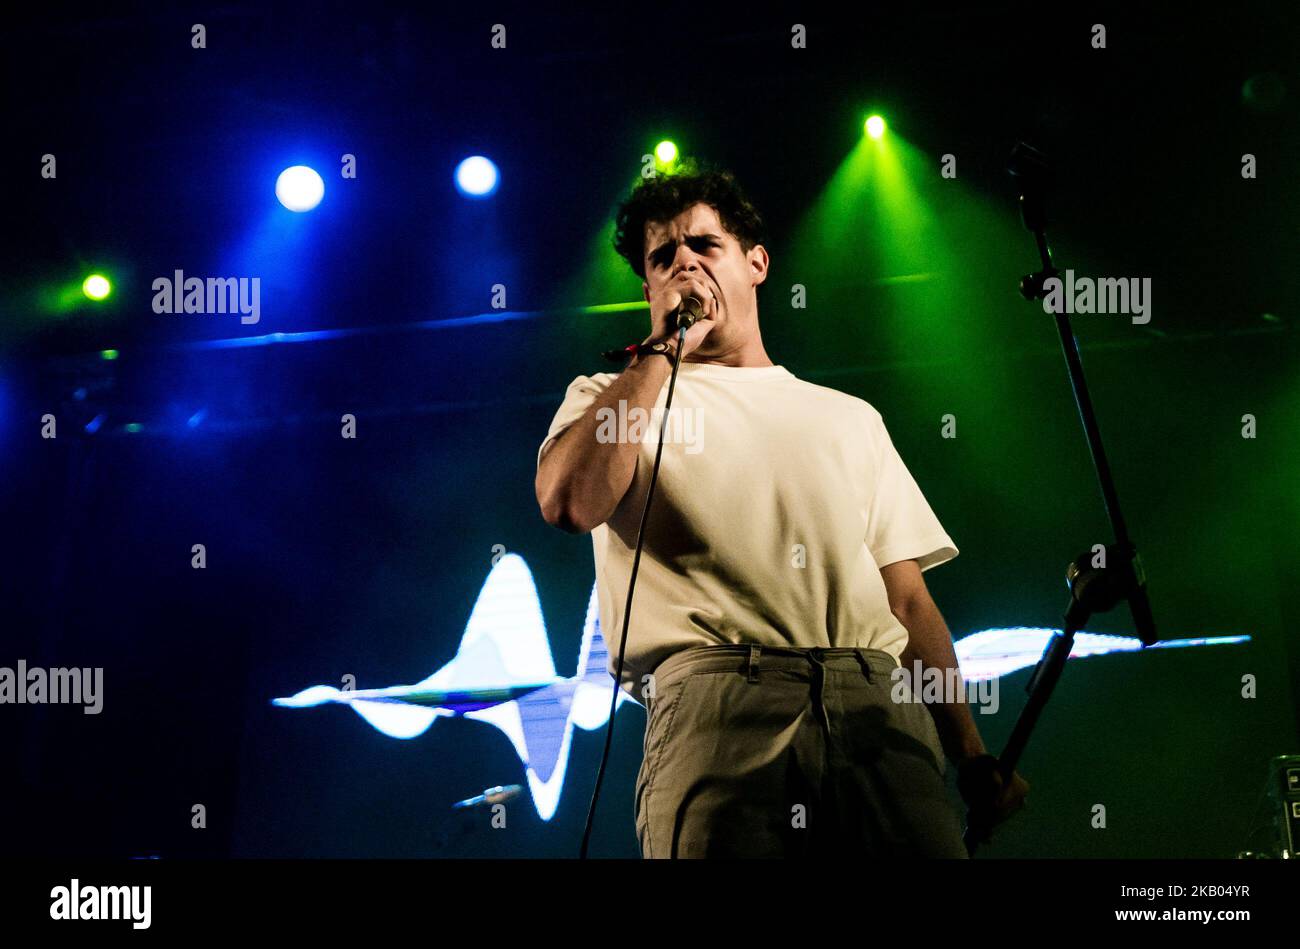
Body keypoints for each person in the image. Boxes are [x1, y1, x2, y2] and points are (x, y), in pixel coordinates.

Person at [535, 165, 1028, 857]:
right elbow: (569, 502)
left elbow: (909, 601)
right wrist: (661, 351)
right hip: (716, 707)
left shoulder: (848, 417)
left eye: (704, 246)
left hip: (876, 704)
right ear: (648, 288)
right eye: (662, 257)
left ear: (756, 263)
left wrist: (970, 752)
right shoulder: (609, 397)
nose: (684, 262)